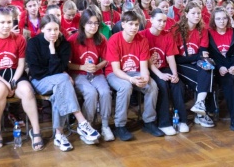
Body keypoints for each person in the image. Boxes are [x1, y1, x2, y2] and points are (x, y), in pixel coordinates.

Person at [26, 14, 100, 150]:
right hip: (39, 82)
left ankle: (59, 135)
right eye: (49, 29)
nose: (53, 33)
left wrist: (53, 51)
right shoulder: (33, 43)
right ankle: (82, 122)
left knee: (58, 92)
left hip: (58, 82)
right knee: (64, 79)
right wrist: (55, 63)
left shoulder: (64, 44)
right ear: (42, 29)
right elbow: (36, 72)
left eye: (56, 29)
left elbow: (61, 68)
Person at [0, 8, 44, 151]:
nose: (6, 26)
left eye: (9, 22)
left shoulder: (19, 39)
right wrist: (5, 83)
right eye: (2, 22)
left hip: (15, 73)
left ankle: (36, 130)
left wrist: (13, 81)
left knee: (27, 91)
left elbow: (21, 65)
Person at [105, 10, 163, 141]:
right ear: (123, 24)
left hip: (135, 72)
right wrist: (131, 79)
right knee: (125, 87)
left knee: (152, 86)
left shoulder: (142, 40)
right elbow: (116, 70)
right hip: (115, 74)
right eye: (130, 24)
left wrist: (145, 78)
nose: (134, 27)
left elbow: (144, 67)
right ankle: (120, 125)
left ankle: (149, 122)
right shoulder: (114, 39)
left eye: (136, 24)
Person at [67, 8, 114, 142]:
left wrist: (97, 66)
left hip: (96, 72)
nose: (93, 26)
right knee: (91, 93)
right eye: (90, 23)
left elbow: (106, 59)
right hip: (78, 73)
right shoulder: (73, 40)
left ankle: (105, 125)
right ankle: (87, 126)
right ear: (83, 24)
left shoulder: (101, 39)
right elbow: (67, 64)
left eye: (96, 23)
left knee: (105, 92)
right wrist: (82, 67)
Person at [140, 9, 188, 135]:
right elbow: (146, 59)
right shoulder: (142, 35)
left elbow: (170, 57)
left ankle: (182, 120)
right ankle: (164, 123)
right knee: (162, 85)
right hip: (148, 69)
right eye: (159, 20)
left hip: (163, 67)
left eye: (164, 21)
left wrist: (175, 74)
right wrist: (160, 75)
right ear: (151, 20)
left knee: (177, 84)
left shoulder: (167, 35)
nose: (162, 24)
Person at [172, 1, 216, 128]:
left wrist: (197, 57)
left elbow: (203, 53)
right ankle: (201, 113)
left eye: (199, 13)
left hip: (196, 64)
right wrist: (196, 57)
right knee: (206, 79)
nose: (197, 16)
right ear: (186, 14)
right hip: (179, 65)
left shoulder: (203, 30)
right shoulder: (176, 30)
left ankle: (199, 105)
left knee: (209, 67)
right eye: (193, 13)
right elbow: (176, 58)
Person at [207, 7, 234, 131]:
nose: (222, 21)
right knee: (229, 81)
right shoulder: (209, 34)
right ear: (213, 20)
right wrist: (219, 67)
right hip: (219, 67)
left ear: (228, 19)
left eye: (224, 18)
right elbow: (211, 55)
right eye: (218, 19)